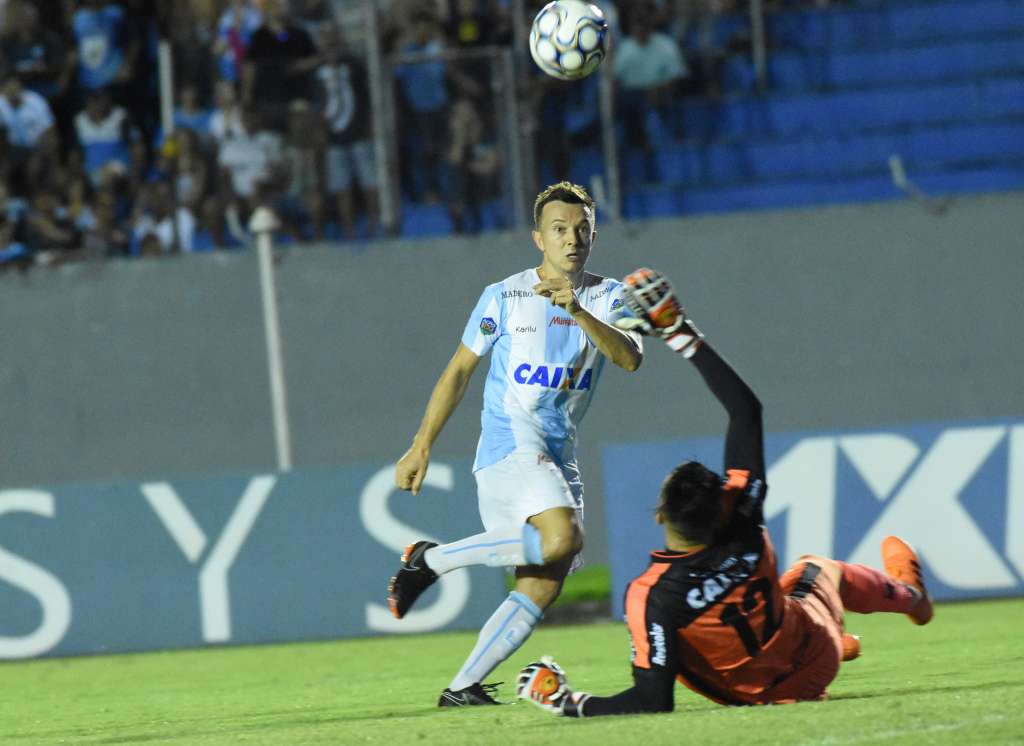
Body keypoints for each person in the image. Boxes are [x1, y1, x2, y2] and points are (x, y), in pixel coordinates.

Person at [516, 268, 935, 717]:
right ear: (721, 504)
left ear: (661, 517)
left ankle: (827, 638)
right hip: (816, 658)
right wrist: (680, 333)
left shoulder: (653, 594)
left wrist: (567, 702)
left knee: (664, 645)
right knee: (817, 569)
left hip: (752, 694)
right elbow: (745, 411)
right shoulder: (742, 511)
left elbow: (653, 701)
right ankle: (911, 597)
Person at [388, 181, 644, 707]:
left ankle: (461, 687)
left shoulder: (611, 296)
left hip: (558, 454)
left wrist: (577, 311)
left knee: (543, 583)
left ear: (594, 235)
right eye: (558, 229)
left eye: (581, 229)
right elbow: (460, 370)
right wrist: (421, 444)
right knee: (562, 538)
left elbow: (629, 358)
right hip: (509, 446)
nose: (571, 239)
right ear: (537, 238)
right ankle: (430, 561)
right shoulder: (504, 295)